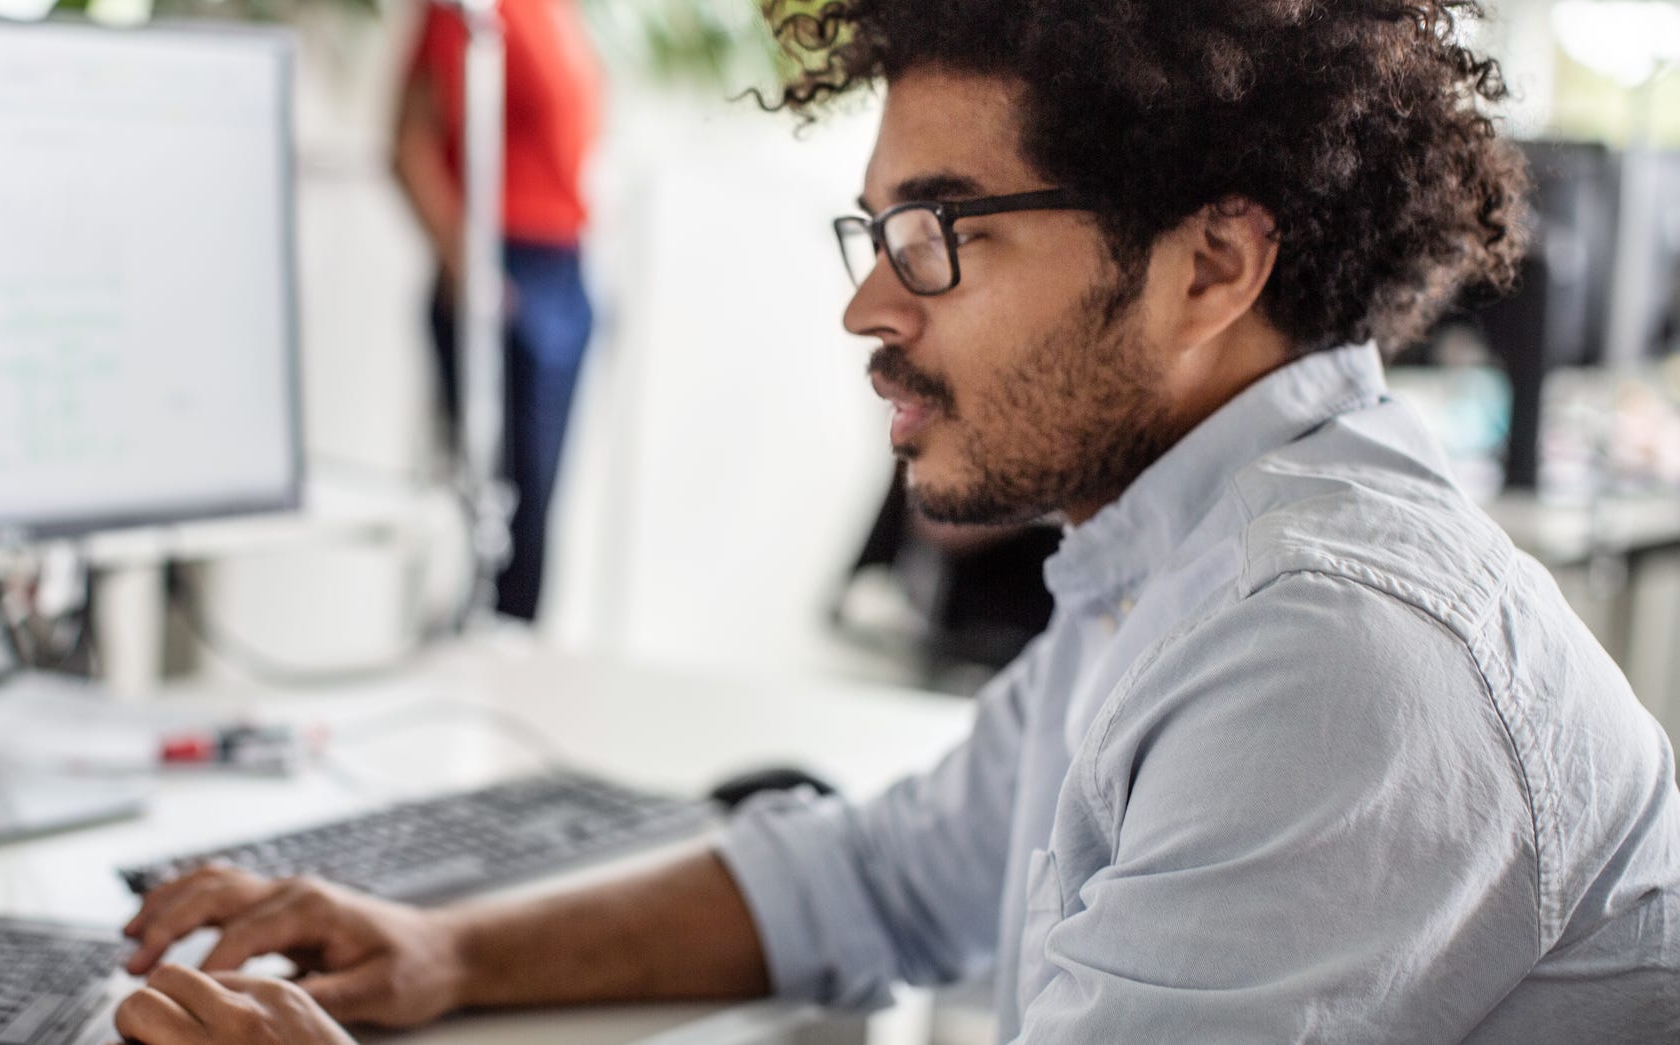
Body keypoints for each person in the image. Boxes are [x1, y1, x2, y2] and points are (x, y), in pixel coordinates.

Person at [110, 0, 1680, 1041]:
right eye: (876, 228)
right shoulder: (1170, 555)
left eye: (938, 232)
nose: (868, 301)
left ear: (1211, 268)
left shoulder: (1331, 654)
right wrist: (446, 951)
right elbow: (875, 877)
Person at [391, 0, 602, 621]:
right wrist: (476, 275)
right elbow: (408, 148)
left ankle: (515, 667)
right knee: (504, 514)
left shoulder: (559, 13)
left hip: (565, 270)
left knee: (539, 519)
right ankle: (482, 665)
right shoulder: (462, 11)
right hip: (507, 272)